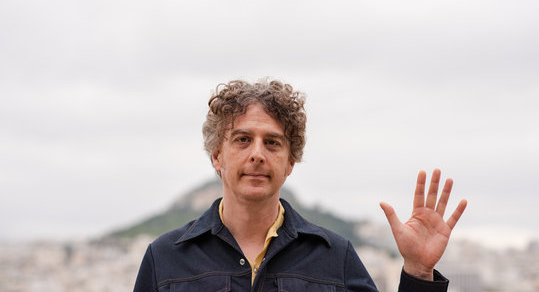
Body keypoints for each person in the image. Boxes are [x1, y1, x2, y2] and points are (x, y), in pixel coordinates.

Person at [133, 79, 467, 292]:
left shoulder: (335, 257)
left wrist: (419, 272)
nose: (258, 154)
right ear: (217, 156)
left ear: (291, 162)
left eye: (273, 143)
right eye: (243, 139)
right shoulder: (165, 258)